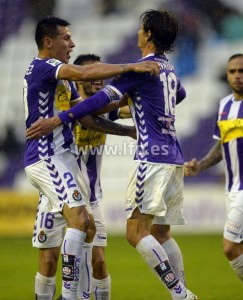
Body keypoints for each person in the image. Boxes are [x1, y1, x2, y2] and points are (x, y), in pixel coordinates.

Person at [26, 9, 198, 300]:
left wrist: (59, 118)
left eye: (141, 29)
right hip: (173, 155)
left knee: (135, 233)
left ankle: (181, 294)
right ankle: (180, 292)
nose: (137, 33)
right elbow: (178, 95)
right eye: (66, 38)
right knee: (161, 233)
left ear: (149, 35)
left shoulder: (142, 68)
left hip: (150, 158)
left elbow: (101, 100)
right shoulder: (165, 67)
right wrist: (146, 106)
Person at [33, 53, 133, 300]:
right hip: (56, 194)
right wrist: (129, 131)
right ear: (80, 78)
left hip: (92, 197)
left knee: (98, 262)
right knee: (48, 262)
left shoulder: (102, 109)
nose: (100, 78)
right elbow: (88, 119)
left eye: (102, 74)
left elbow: (126, 109)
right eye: (94, 73)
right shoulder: (68, 110)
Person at [184, 53, 243, 284]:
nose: (237, 76)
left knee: (229, 247)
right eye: (232, 71)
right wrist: (201, 165)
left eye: (242, 71)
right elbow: (221, 145)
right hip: (232, 189)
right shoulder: (225, 105)